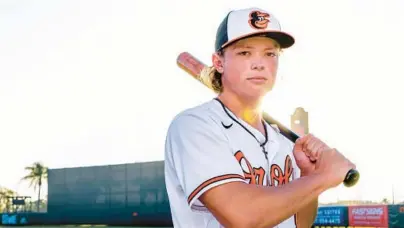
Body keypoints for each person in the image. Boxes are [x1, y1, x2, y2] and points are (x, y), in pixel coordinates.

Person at [164, 7, 356, 228]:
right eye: (245, 52)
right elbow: (243, 218)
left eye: (270, 53)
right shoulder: (194, 126)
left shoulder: (285, 142)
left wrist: (307, 175)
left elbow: (300, 223)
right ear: (218, 63)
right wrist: (322, 178)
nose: (259, 63)